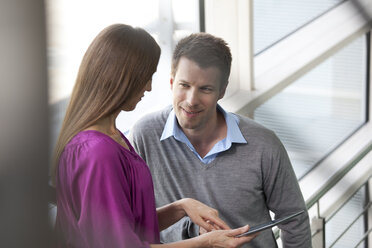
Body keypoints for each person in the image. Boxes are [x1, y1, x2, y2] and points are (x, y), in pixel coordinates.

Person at [51, 24, 257, 248]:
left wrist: (181, 207)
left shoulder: (111, 137)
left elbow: (128, 227)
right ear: (122, 77)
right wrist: (204, 243)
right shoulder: (98, 153)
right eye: (146, 77)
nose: (148, 88)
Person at [129, 33, 312, 247]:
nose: (191, 101)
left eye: (205, 89)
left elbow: (294, 219)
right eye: (184, 85)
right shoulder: (144, 135)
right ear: (171, 82)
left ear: (222, 90)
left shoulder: (264, 145)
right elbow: (132, 219)